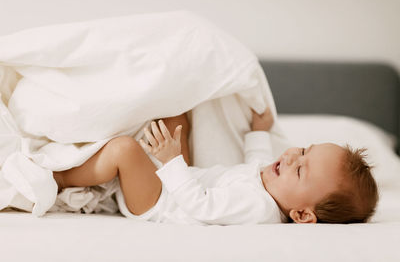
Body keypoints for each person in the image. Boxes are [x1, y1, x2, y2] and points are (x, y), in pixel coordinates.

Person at [53, 109, 379, 225]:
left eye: (300, 170)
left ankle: (57, 176)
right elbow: (254, 163)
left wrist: (170, 161)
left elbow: (201, 206)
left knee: (124, 151)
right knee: (177, 117)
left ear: (303, 215)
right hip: (175, 182)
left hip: (158, 203)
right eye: (304, 150)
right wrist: (259, 131)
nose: (293, 156)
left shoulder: (258, 208)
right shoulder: (271, 187)